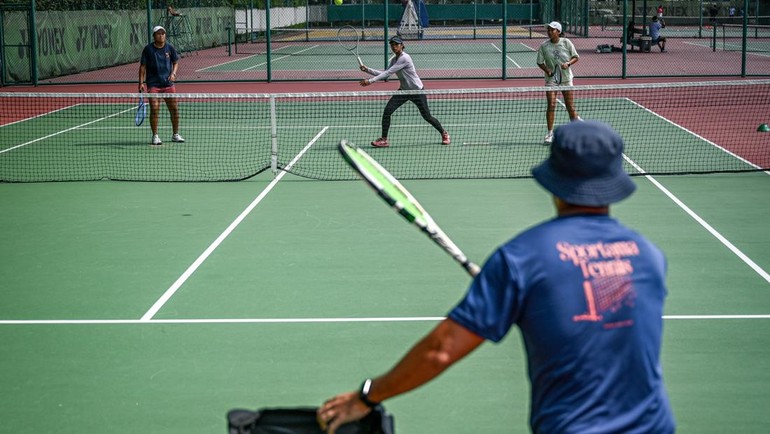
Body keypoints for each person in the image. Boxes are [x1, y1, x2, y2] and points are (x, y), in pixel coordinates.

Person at [317, 121, 676, 434]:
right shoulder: (649, 256)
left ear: (555, 179)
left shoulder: (523, 259)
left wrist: (369, 394)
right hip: (655, 425)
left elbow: (441, 351)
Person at [358, 35, 450, 148]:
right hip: (404, 91)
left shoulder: (404, 58)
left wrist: (370, 81)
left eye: (396, 44)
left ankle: (444, 133)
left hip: (417, 91)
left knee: (427, 116)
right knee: (387, 111)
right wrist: (367, 70)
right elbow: (386, 73)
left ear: (402, 45)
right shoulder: (394, 60)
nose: (394, 46)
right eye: (392, 44)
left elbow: (387, 73)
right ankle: (384, 139)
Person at [536, 21, 580, 145]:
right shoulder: (544, 46)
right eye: (548, 30)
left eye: (552, 30)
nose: (549, 32)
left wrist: (568, 63)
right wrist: (547, 70)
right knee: (551, 105)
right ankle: (550, 133)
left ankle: (577, 132)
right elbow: (540, 62)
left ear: (558, 32)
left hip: (566, 79)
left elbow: (576, 57)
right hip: (551, 80)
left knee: (570, 106)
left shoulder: (566, 42)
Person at [138, 25, 184, 146]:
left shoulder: (170, 48)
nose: (161, 35)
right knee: (155, 109)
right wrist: (141, 82)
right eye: (158, 33)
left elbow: (175, 63)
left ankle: (175, 134)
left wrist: (173, 73)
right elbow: (142, 67)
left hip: (168, 84)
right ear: (154, 36)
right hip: (153, 85)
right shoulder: (148, 50)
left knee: (174, 109)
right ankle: (155, 136)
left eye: (163, 33)